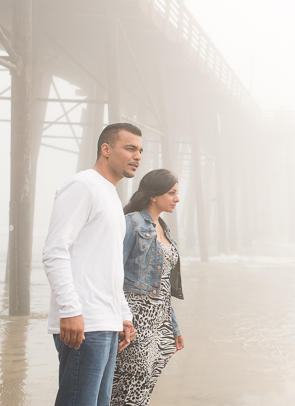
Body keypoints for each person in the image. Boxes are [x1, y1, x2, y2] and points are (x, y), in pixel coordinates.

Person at [43, 123, 143, 406]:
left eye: (140, 151)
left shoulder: (110, 193)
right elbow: (54, 251)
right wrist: (71, 310)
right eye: (130, 148)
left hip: (105, 321)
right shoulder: (83, 185)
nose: (137, 156)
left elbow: (108, 265)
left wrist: (122, 314)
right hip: (84, 322)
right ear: (106, 149)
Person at [111, 169, 184, 406]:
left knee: (143, 387)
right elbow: (112, 274)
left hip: (159, 322)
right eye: (171, 192)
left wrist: (174, 327)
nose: (177, 198)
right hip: (136, 318)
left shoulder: (163, 228)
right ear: (154, 195)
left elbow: (163, 285)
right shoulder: (131, 223)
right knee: (128, 387)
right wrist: (122, 319)